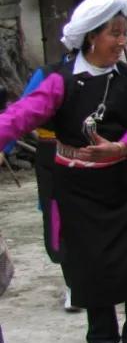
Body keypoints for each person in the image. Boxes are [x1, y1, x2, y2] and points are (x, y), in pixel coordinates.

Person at [0, 0, 127, 343]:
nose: (122, 42)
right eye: (115, 34)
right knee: (92, 262)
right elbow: (21, 116)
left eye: (125, 33)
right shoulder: (60, 80)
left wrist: (121, 148)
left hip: (124, 183)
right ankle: (103, 336)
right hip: (79, 187)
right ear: (93, 36)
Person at [11, 54, 80, 311]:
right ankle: (73, 285)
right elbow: (22, 112)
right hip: (52, 155)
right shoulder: (48, 74)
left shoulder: (114, 74)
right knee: (58, 219)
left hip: (96, 156)